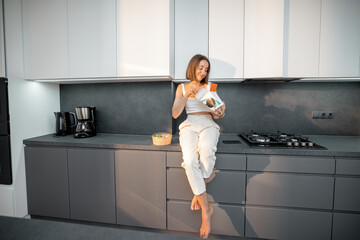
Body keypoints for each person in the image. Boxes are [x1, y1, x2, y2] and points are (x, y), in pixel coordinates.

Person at [172, 54, 226, 238]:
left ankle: (198, 196)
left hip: (208, 123)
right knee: (188, 160)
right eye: (200, 68)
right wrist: (187, 93)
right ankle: (206, 208)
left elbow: (217, 113)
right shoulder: (181, 88)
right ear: (193, 67)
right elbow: (175, 113)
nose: (203, 72)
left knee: (206, 153)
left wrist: (220, 111)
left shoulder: (209, 88)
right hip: (189, 124)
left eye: (206, 69)